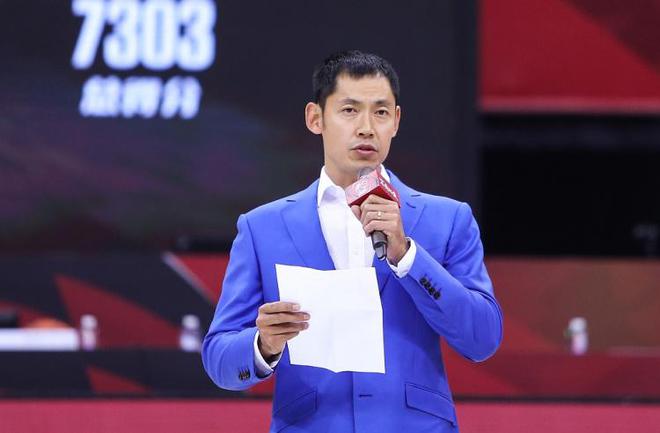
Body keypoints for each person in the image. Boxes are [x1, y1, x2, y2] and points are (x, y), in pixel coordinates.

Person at [202, 50, 503, 433]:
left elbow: (482, 339)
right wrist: (263, 345)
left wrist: (408, 256)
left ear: (396, 121)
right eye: (349, 110)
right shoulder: (263, 228)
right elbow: (220, 361)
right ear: (315, 118)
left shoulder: (447, 219)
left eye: (381, 112)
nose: (366, 128)